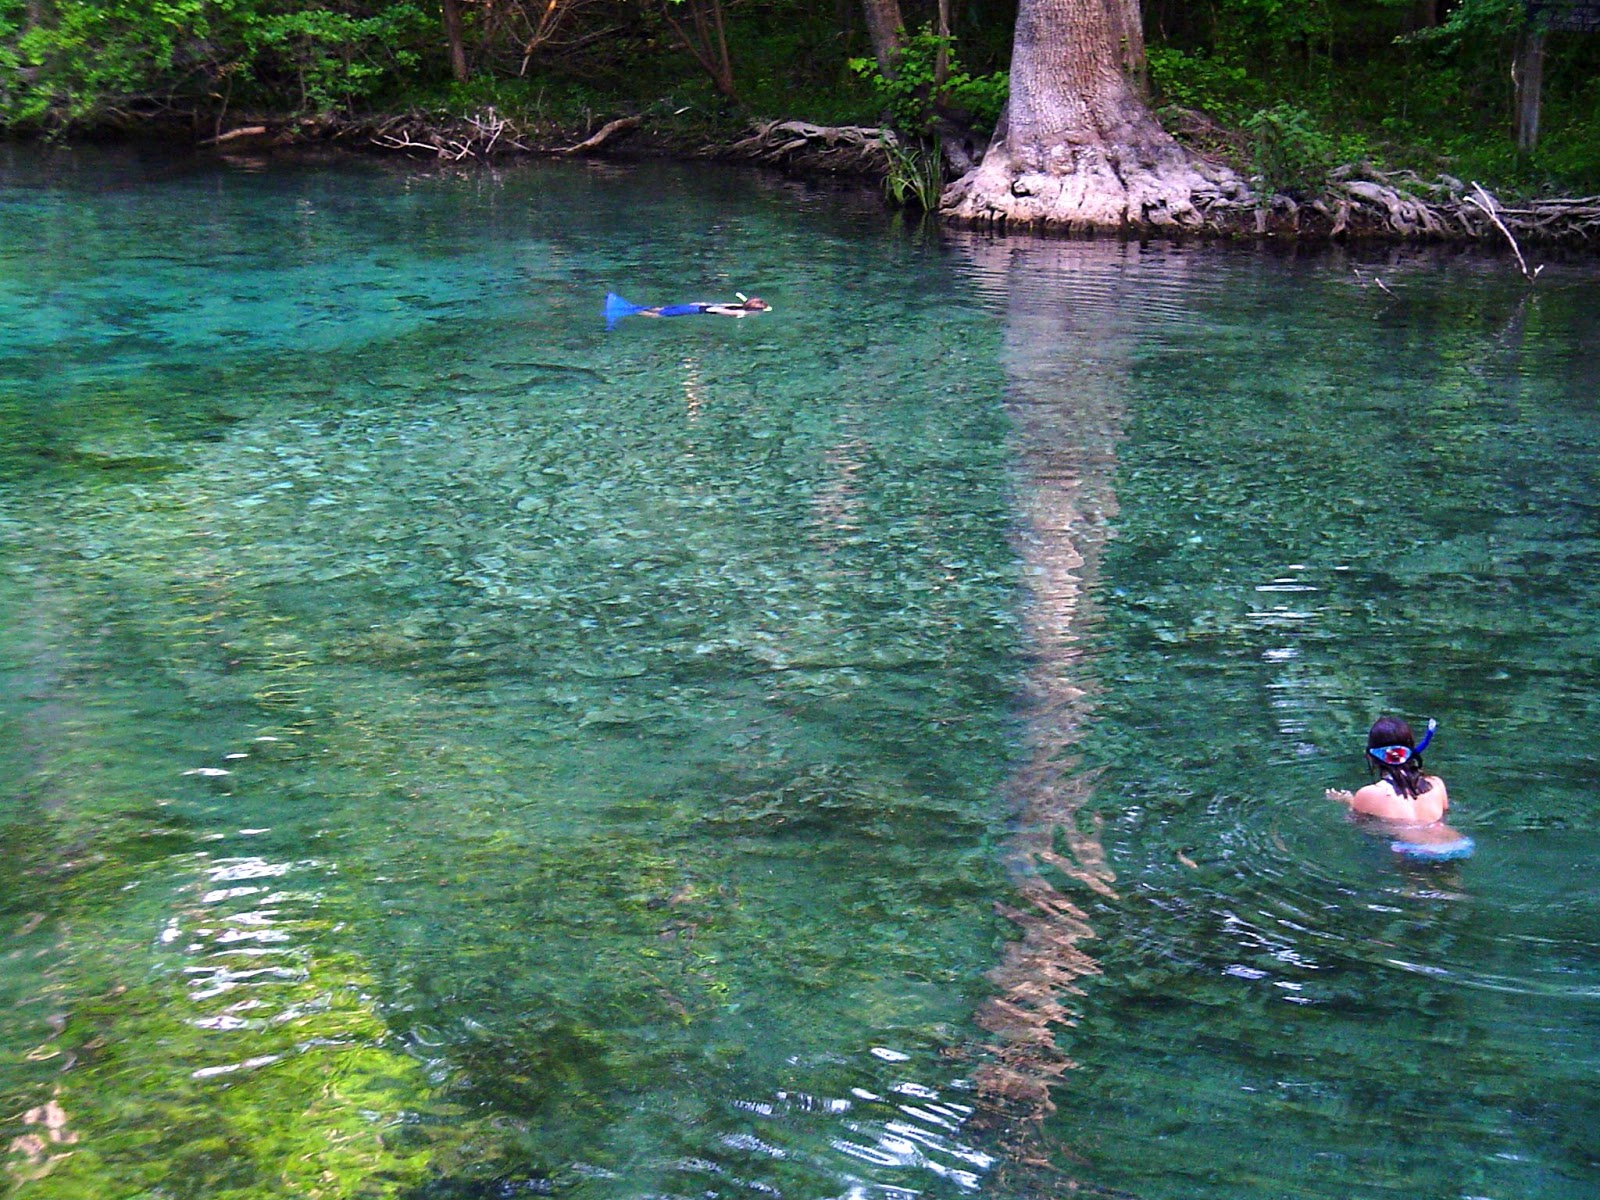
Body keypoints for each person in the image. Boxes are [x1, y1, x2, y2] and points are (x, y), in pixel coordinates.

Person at [1326, 716, 1472, 859]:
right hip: (1455, 843)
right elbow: (1444, 815)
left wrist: (1348, 800)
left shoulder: (1368, 793)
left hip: (1414, 850)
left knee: (1414, 882)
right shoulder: (1437, 784)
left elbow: (1360, 823)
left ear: (1372, 756)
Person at [605, 292, 770, 325]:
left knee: (662, 308)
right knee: (661, 315)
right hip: (694, 310)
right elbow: (715, 310)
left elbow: (717, 305)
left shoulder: (737, 305)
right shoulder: (738, 311)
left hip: (696, 305)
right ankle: (626, 310)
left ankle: (629, 307)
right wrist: (735, 317)